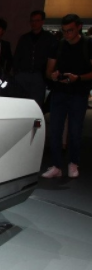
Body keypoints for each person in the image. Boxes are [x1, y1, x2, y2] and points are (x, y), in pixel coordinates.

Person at [42, 14, 92, 179]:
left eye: (70, 30)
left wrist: (78, 78)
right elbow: (48, 71)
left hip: (79, 93)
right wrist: (53, 75)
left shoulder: (88, 44)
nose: (67, 34)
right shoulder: (58, 45)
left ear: (79, 27)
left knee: (75, 130)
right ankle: (56, 165)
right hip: (59, 92)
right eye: (64, 31)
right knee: (55, 129)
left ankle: (73, 162)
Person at [13, 10, 56, 108]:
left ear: (42, 22)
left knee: (36, 103)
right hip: (23, 73)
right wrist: (16, 71)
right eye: (32, 21)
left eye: (37, 21)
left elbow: (52, 57)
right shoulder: (24, 38)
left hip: (39, 75)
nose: (34, 23)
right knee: (19, 101)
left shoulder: (49, 39)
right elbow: (17, 55)